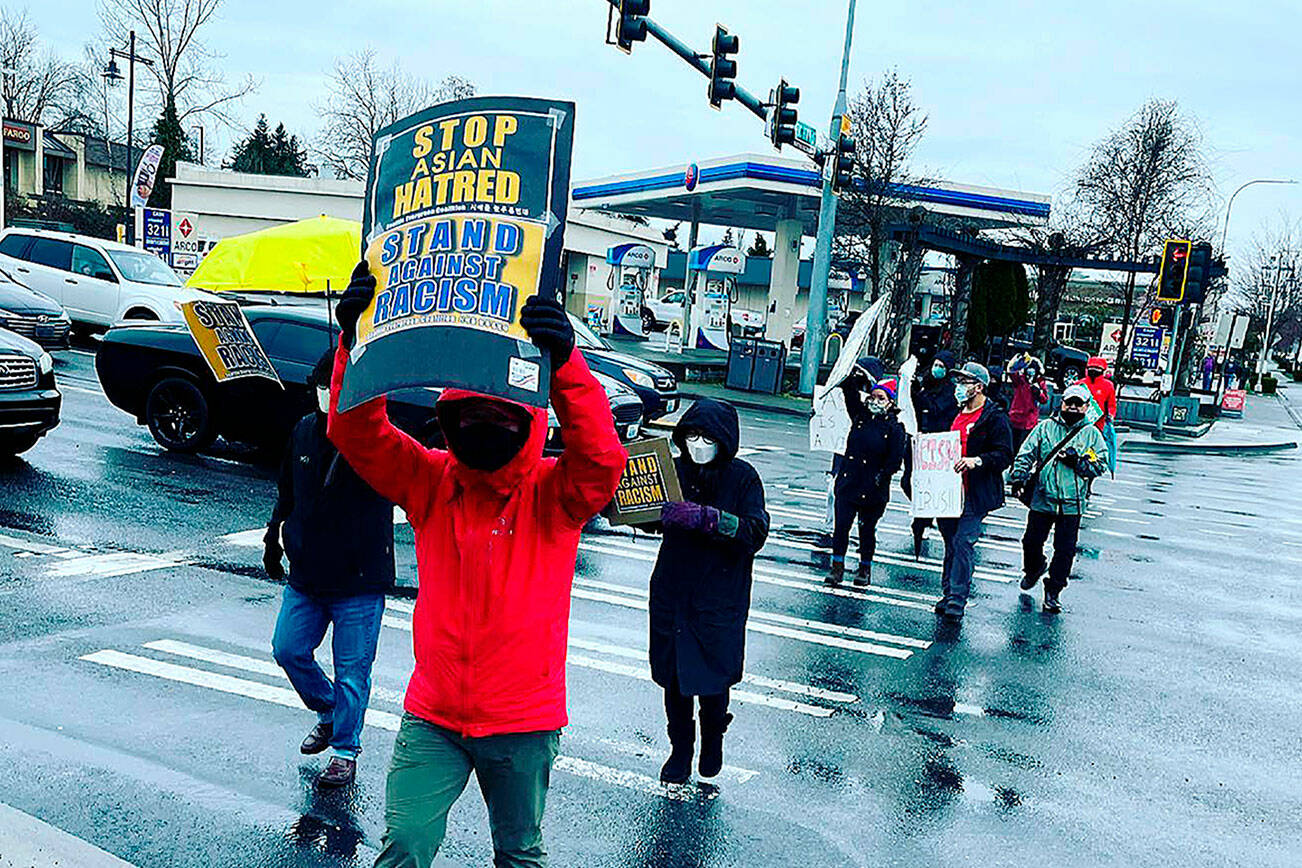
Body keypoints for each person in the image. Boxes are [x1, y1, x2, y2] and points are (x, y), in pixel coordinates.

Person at [327, 262, 627, 868]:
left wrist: (566, 365)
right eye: (468, 419)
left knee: (518, 855)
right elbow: (357, 433)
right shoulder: (431, 481)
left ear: (527, 425)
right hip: (434, 713)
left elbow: (601, 461)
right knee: (404, 845)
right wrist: (355, 341)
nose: (482, 430)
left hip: (523, 720)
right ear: (448, 421)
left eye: (499, 421)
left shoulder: (553, 494)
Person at [265, 351, 395, 789]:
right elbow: (287, 492)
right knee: (288, 649)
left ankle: (344, 750)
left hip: (359, 579)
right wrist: (273, 539)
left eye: (333, 387)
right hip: (306, 574)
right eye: (320, 386)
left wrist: (353, 433)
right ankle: (329, 711)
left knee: (353, 672)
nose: (325, 394)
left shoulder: (376, 440)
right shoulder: (303, 431)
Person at [649, 399, 769, 784]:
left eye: (707, 437)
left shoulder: (743, 478)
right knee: (674, 678)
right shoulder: (675, 469)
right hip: (673, 587)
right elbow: (652, 515)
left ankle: (713, 734)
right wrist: (649, 514)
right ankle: (680, 750)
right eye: (692, 436)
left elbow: (754, 532)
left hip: (719, 595)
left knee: (713, 679)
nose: (698, 444)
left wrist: (709, 519)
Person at [1009, 384, 1108, 613]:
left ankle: (1053, 590)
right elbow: (1026, 453)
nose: (1072, 407)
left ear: (1086, 407)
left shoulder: (1092, 434)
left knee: (1065, 551)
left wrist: (1080, 462)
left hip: (1072, 504)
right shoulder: (1045, 428)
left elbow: (1101, 464)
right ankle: (1033, 569)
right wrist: (1018, 477)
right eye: (1069, 403)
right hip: (1043, 498)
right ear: (1061, 403)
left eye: (1078, 404)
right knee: (1031, 542)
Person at [935, 362, 1013, 623]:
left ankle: (958, 598)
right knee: (950, 544)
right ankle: (948, 593)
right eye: (958, 382)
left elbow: (1004, 454)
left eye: (965, 382)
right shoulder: (956, 412)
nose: (959, 387)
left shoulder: (994, 417)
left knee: (963, 543)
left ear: (979, 387)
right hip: (949, 491)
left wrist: (976, 460)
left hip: (974, 491)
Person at [827, 375, 906, 587]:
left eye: (881, 398)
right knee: (841, 527)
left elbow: (894, 461)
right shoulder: (860, 417)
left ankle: (864, 568)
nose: (875, 401)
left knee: (866, 530)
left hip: (873, 489)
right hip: (848, 482)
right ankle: (837, 568)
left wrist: (880, 477)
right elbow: (850, 396)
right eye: (873, 396)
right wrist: (849, 377)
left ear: (891, 402)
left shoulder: (895, 429)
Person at [906, 350, 960, 558]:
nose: (937, 369)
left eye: (942, 366)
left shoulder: (950, 392)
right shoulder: (926, 383)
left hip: (937, 443)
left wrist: (920, 397)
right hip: (919, 438)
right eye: (935, 364)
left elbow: (935, 409)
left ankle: (923, 519)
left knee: (928, 483)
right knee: (908, 481)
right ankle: (926, 513)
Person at [1077, 356, 1118, 476]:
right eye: (1091, 368)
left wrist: (1110, 415)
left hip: (1098, 428)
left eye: (1097, 368)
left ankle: (1089, 478)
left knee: (1093, 457)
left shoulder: (1108, 386)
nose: (1093, 370)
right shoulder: (1080, 384)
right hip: (1079, 427)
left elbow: (1111, 405)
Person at [1007, 354, 1049, 453]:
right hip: (1015, 419)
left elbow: (1044, 399)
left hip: (1029, 422)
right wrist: (1018, 362)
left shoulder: (1039, 383)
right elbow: (1011, 371)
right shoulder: (1020, 380)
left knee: (1023, 449)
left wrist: (1038, 392)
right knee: (1012, 447)